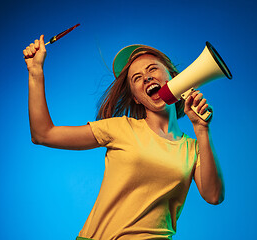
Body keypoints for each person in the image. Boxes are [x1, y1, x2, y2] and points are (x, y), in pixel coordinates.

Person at [23, 35, 225, 240]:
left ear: (173, 76)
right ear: (136, 98)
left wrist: (201, 129)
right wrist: (35, 72)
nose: (146, 78)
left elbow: (213, 196)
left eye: (152, 69)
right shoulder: (120, 128)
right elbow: (43, 134)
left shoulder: (194, 148)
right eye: (137, 78)